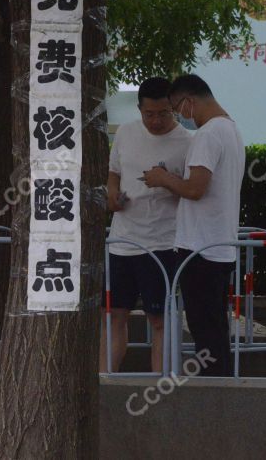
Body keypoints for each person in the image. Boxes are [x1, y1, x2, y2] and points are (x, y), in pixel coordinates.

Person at [144, 74, 245, 376]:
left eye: (176, 109)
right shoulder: (231, 129)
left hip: (200, 249)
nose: (178, 116)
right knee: (214, 328)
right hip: (219, 246)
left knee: (206, 332)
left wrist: (162, 178)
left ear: (189, 102)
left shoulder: (207, 134)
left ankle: (214, 396)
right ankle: (220, 389)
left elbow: (195, 188)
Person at [99, 77, 192, 373]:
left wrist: (166, 180)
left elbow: (195, 190)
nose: (155, 121)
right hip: (122, 240)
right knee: (114, 314)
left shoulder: (189, 142)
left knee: (160, 319)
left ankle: (159, 384)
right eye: (148, 114)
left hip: (164, 243)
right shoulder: (126, 132)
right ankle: (106, 380)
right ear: (139, 109)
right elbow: (114, 172)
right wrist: (112, 193)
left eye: (163, 113)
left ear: (174, 108)